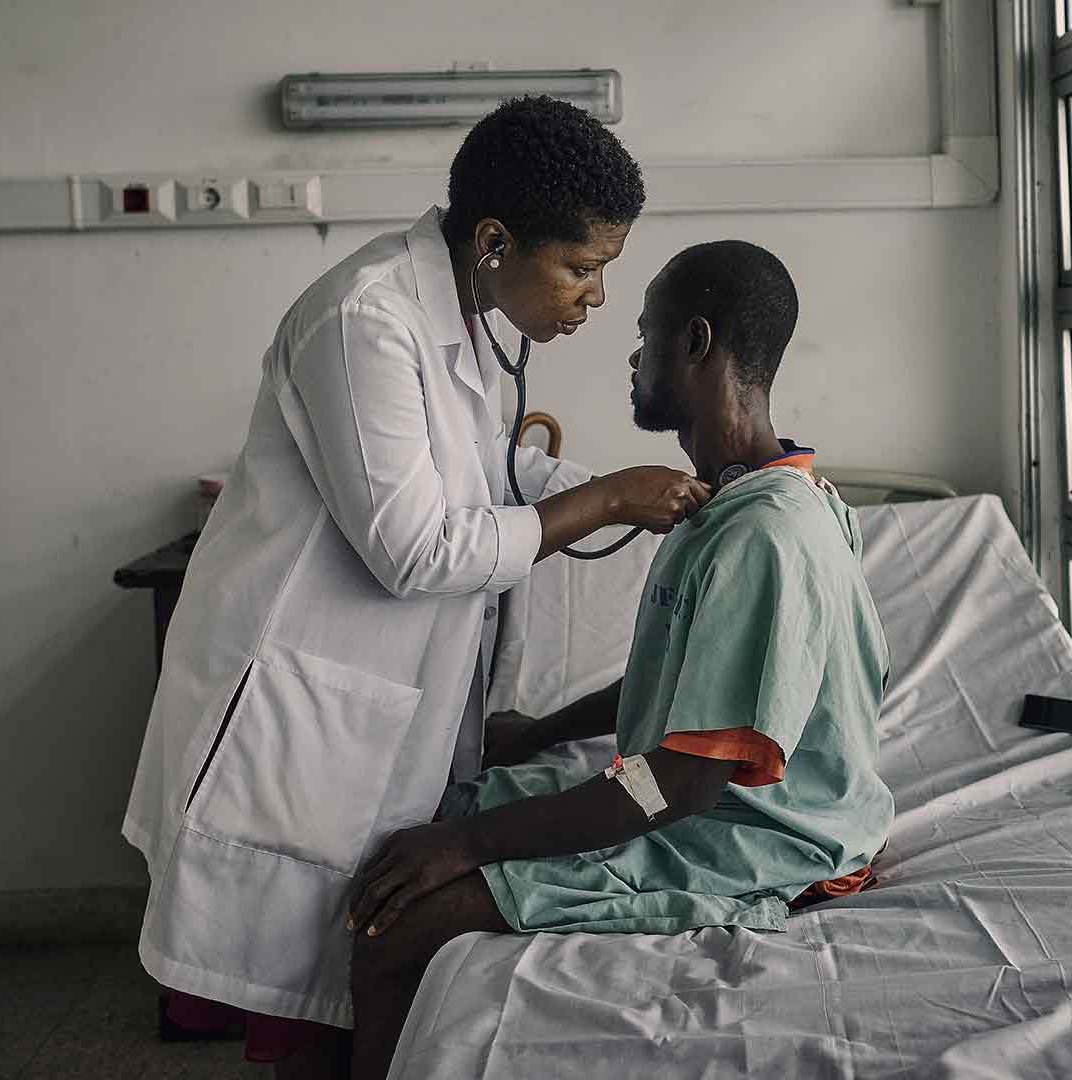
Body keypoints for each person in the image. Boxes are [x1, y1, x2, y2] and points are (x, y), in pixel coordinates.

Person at [119, 97, 713, 1076]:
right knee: (302, 1005)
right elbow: (416, 548)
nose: (593, 300)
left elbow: (480, 469)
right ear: (494, 240)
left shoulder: (465, 315)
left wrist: (641, 494)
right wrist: (608, 500)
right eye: (581, 267)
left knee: (344, 975)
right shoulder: (366, 319)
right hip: (298, 700)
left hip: (380, 702)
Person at [344, 240, 896, 1079]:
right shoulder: (736, 504)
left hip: (760, 840)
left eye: (647, 334)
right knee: (433, 806)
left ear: (697, 343)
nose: (633, 357)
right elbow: (685, 684)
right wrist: (540, 733)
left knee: (403, 924)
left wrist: (470, 849)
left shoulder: (767, 535)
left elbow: (679, 780)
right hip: (686, 791)